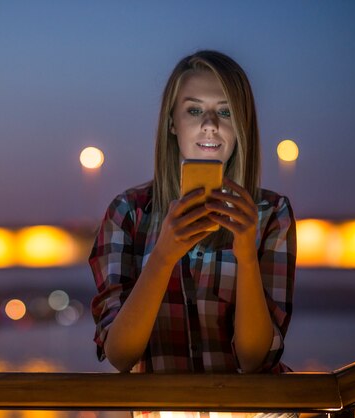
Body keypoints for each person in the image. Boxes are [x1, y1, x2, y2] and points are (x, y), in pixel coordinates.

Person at [88, 50, 297, 416]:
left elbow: (253, 360)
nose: (211, 124)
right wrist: (164, 254)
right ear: (172, 122)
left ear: (242, 125)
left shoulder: (269, 213)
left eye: (226, 111)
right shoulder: (129, 213)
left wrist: (246, 254)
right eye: (195, 110)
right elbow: (120, 355)